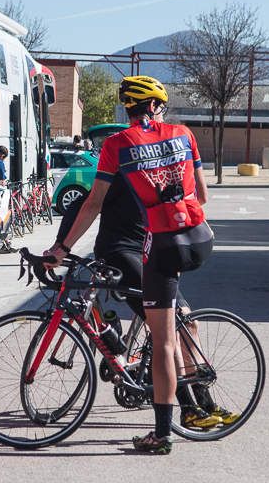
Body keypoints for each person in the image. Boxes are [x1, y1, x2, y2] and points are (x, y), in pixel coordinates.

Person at [45, 76, 214, 455]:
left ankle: (172, 391)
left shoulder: (118, 147)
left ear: (127, 108)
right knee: (177, 327)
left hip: (142, 247)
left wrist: (61, 247)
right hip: (133, 250)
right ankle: (191, 407)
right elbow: (201, 197)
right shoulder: (180, 136)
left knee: (175, 326)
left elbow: (88, 204)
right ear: (155, 107)